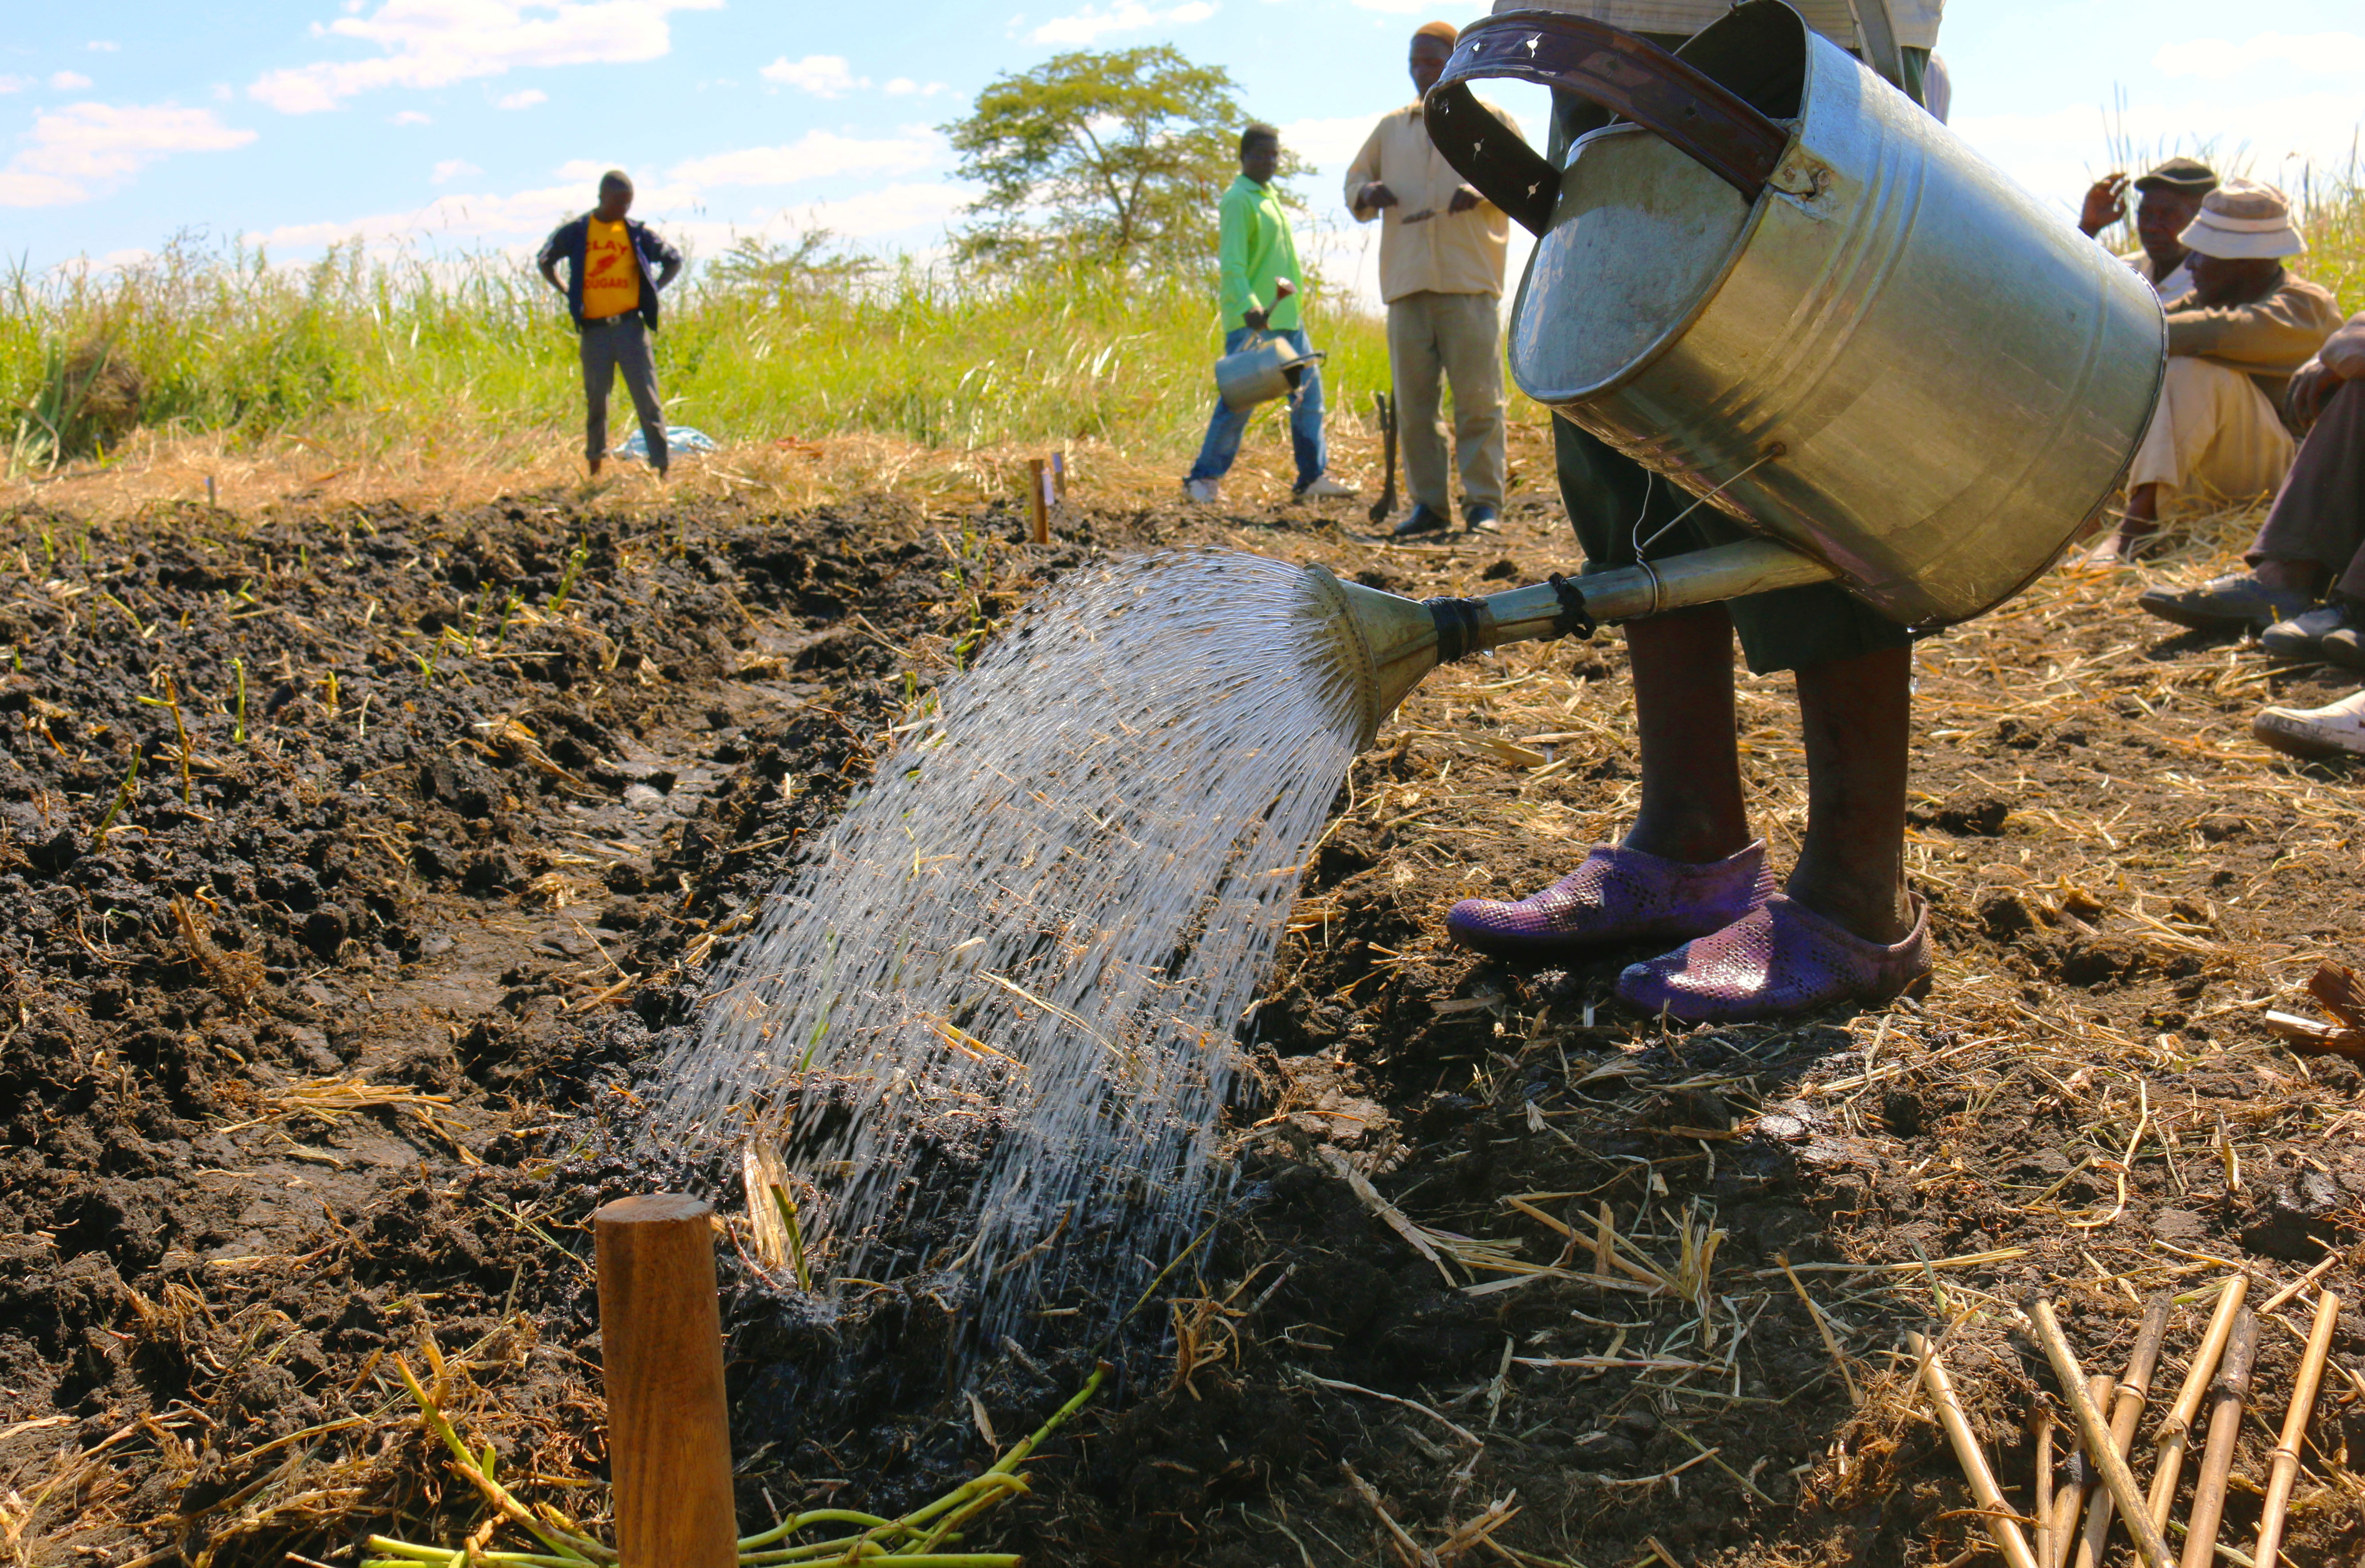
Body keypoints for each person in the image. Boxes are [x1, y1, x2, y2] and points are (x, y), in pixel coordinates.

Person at [1444, 1, 1944, 1025]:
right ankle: (1688, 842)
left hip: (1779, 32)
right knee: (1618, 411)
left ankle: (1858, 894)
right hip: (1593, 29)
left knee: (1791, 435)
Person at [2087, 181, 2342, 561]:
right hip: (2219, 471)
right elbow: (2149, 327)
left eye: (2200, 254)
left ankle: (2136, 531)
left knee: (2190, 371)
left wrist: (2126, 330)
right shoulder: (2212, 296)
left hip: (2287, 476)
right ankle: (2094, 519)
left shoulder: (2306, 309)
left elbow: (2212, 331)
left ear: (2244, 262)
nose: (2189, 265)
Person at [1344, 21, 1522, 537]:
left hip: (1469, 283)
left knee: (1479, 402)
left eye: (1431, 61)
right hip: (1406, 285)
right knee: (1416, 408)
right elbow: (1354, 181)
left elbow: (1524, 178)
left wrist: (1481, 189)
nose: (1421, 71)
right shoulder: (1391, 128)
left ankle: (1484, 504)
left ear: (1456, 61)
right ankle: (1429, 506)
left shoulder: (1490, 120)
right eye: (1414, 62)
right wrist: (1367, 193)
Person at [2138, 310, 2365, 668]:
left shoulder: (2300, 305)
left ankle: (2357, 606)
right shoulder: (2194, 296)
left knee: (2192, 374)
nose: (2195, 276)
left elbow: (2350, 350)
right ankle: (2284, 579)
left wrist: (2336, 353)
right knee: (2359, 390)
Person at [1183, 125, 1356, 506]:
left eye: (1274, 155)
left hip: (1288, 319)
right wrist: (1249, 305)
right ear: (1243, 157)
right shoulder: (1238, 199)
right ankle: (1203, 479)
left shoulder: (1270, 197)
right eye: (1261, 154)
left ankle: (1312, 478)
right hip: (1255, 321)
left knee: (1308, 396)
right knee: (1239, 399)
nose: (1269, 161)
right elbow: (1232, 263)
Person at [537, 170, 682, 479]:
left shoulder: (635, 233)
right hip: (595, 332)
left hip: (631, 329)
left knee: (648, 400)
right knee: (597, 402)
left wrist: (653, 289)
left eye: (628, 203)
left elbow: (674, 259)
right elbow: (545, 260)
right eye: (618, 202)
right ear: (602, 197)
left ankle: (662, 470)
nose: (623, 209)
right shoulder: (579, 231)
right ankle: (595, 468)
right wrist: (566, 290)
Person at [2079, 156, 2217, 306]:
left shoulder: (2209, 287)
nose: (2151, 227)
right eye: (2145, 214)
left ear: (2201, 219)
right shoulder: (2126, 271)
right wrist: (2089, 228)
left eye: (2168, 215)